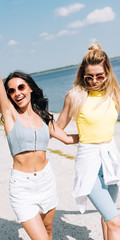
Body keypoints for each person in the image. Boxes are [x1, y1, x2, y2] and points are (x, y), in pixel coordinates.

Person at [0, 14, 79, 240]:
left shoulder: (44, 118)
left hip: (47, 179)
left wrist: (98, 134)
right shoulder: (10, 116)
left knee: (48, 231)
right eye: (12, 90)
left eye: (20, 87)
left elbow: (67, 139)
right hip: (22, 186)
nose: (16, 92)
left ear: (29, 88)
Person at [56, 41, 120, 240]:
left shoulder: (114, 94)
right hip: (89, 164)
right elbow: (56, 128)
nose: (94, 80)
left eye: (99, 75)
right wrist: (70, 139)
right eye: (89, 76)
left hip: (111, 162)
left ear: (107, 72)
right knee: (116, 220)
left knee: (108, 217)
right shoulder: (75, 96)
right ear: (83, 75)